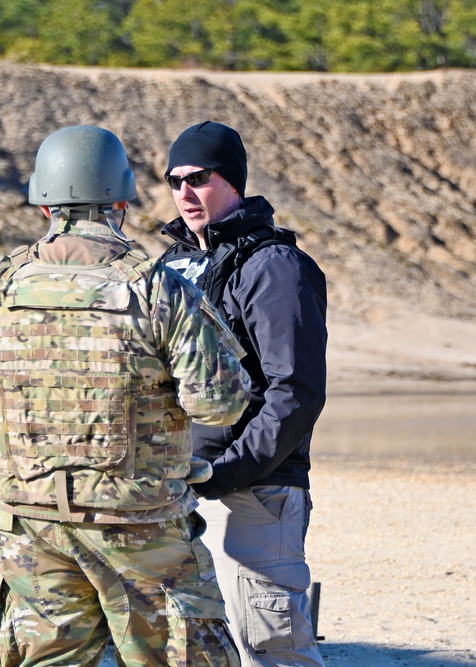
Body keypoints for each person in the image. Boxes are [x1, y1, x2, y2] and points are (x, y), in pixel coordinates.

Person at [0, 124, 251, 666]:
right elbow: (219, 404)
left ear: (44, 203)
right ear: (120, 199)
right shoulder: (157, 286)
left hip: (34, 527)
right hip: (141, 528)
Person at [159, 120, 328, 667]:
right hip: (176, 494)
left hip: (255, 493)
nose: (185, 193)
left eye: (199, 178)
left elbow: (295, 392)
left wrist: (227, 471)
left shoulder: (274, 268)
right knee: (191, 650)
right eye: (174, 180)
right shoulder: (171, 267)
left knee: (271, 648)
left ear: (232, 180)